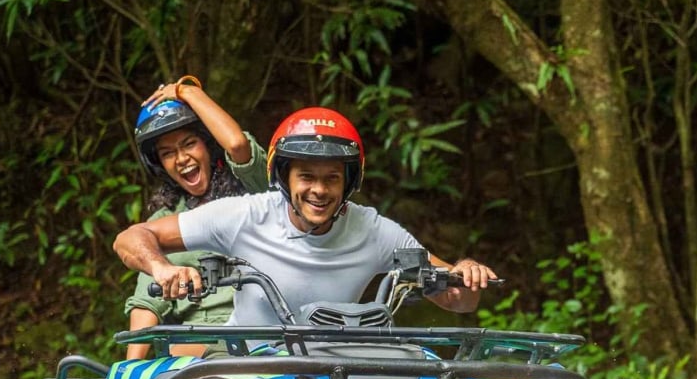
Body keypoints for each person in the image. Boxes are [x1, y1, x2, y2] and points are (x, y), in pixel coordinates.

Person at [113, 107, 496, 332]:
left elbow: (456, 298)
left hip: (336, 372)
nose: (319, 190)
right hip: (249, 371)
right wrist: (161, 269)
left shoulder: (374, 229)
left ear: (350, 181)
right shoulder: (246, 215)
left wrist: (466, 271)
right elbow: (132, 237)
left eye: (332, 178)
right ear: (283, 178)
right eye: (306, 177)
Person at [125, 77, 270, 357]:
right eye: (168, 153)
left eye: (189, 144)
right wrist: (129, 372)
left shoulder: (254, 196)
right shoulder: (165, 219)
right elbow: (146, 302)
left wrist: (186, 90)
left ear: (208, 145)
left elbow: (238, 145)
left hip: (262, 336)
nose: (181, 159)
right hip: (196, 345)